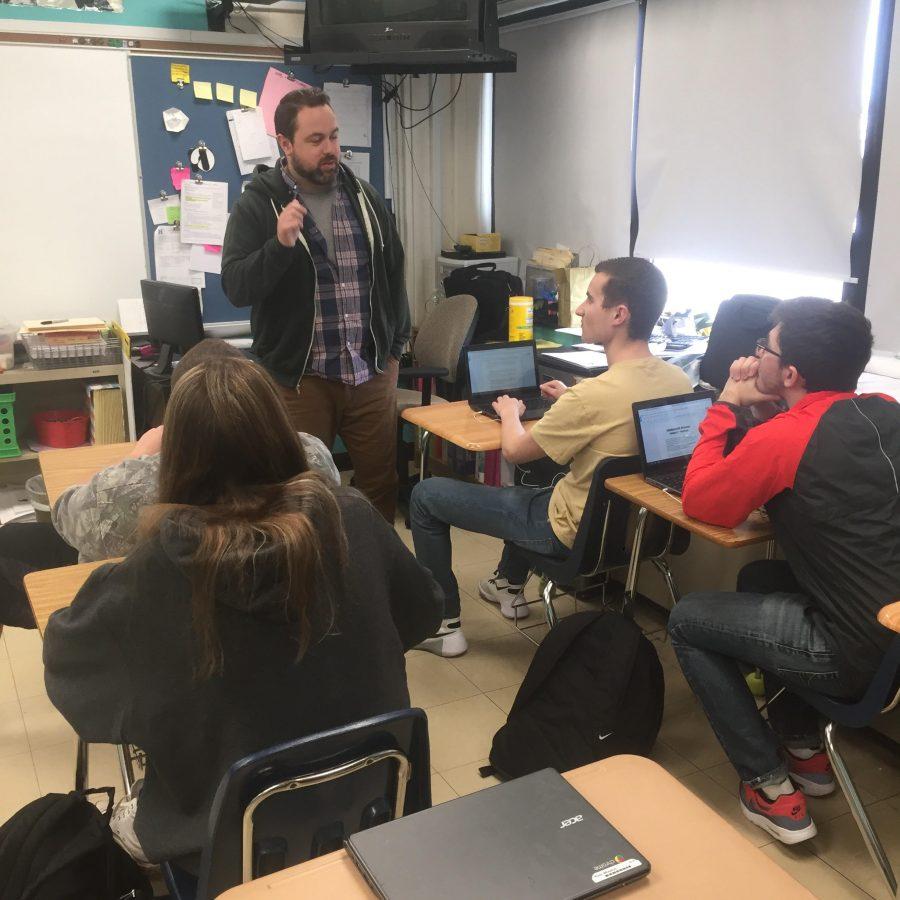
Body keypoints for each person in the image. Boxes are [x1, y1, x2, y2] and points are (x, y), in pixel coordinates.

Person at [43, 355, 443, 866]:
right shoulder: (353, 518)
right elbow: (421, 612)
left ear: (172, 459)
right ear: (282, 431)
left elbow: (74, 679)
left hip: (220, 841)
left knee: (128, 804)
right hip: (376, 804)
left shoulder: (160, 567)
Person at [668, 297, 900, 845]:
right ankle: (804, 748)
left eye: (763, 349)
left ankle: (768, 784)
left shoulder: (785, 437)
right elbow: (812, 451)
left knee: (687, 619)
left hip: (853, 656)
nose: (757, 357)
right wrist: (770, 410)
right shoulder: (886, 408)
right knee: (761, 581)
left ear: (789, 371)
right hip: (891, 636)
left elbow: (702, 499)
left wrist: (726, 402)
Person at [410, 257, 692, 657]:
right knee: (544, 477)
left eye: (589, 299)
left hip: (569, 532)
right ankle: (507, 584)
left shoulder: (591, 396)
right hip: (640, 534)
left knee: (426, 496)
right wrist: (567, 404)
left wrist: (510, 413)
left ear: (619, 314)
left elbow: (514, 449)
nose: (579, 309)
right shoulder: (679, 380)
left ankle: (444, 626)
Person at [221, 87, 410, 523]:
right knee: (302, 494)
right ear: (285, 144)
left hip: (370, 374)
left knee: (380, 486)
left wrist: (395, 347)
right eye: (315, 140)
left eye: (334, 136)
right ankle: (313, 583)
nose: (331, 150)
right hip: (300, 382)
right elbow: (236, 286)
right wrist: (280, 245)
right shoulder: (258, 204)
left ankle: (372, 579)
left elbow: (393, 272)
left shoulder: (365, 198)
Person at [52, 338, 340, 563]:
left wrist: (136, 456)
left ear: (175, 417)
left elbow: (66, 516)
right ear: (266, 405)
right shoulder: (312, 454)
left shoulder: (129, 488)